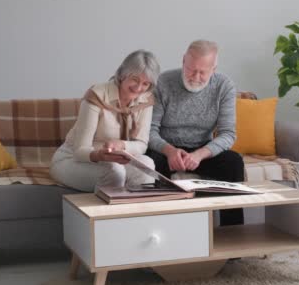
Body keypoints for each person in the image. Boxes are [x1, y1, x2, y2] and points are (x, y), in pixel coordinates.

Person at [146, 40, 245, 225]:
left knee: (234, 162)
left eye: (203, 72)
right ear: (183, 61)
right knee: (149, 163)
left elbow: (227, 134)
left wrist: (199, 155)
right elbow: (150, 130)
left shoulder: (224, 86)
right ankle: (155, 228)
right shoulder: (163, 82)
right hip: (166, 150)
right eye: (191, 69)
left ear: (213, 69)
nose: (195, 76)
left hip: (202, 151)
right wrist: (169, 151)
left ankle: (232, 233)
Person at [50, 50, 160, 192]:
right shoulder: (97, 95)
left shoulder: (145, 99)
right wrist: (100, 155)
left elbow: (142, 144)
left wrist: (122, 145)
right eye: (135, 79)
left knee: (147, 165)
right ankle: (107, 213)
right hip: (73, 160)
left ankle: (138, 213)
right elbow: (79, 151)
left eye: (145, 84)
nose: (139, 88)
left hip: (112, 162)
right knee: (114, 171)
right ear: (123, 73)